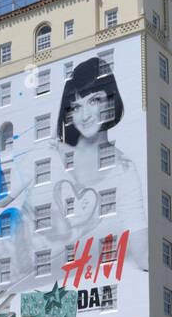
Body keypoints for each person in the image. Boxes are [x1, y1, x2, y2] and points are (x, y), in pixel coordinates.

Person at [50, 57, 148, 272]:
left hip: (73, 280)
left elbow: (141, 248)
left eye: (94, 101)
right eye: (76, 106)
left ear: (111, 102)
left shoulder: (124, 169)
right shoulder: (52, 154)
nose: (84, 116)